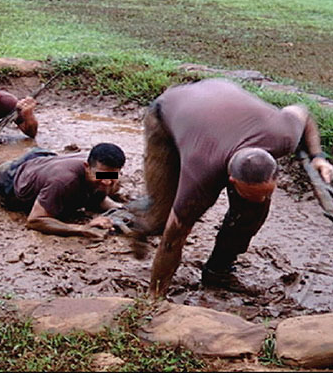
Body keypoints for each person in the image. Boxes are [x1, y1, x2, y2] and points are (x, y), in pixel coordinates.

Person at [138, 78, 333, 297]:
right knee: (161, 218)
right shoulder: (200, 174)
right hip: (166, 116)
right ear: (231, 180)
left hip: (218, 103)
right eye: (251, 193)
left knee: (251, 213)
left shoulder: (283, 135)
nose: (259, 199)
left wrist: (318, 157)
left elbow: (303, 113)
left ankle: (218, 272)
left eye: (265, 192)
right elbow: (173, 240)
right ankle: (128, 220)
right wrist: (154, 298)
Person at [0, 140, 126, 238]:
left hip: (41, 158)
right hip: (10, 181)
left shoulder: (103, 172)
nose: (107, 182)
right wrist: (81, 229)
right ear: (87, 167)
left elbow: (97, 199)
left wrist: (120, 209)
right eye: (101, 176)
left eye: (113, 176)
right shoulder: (63, 182)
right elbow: (34, 221)